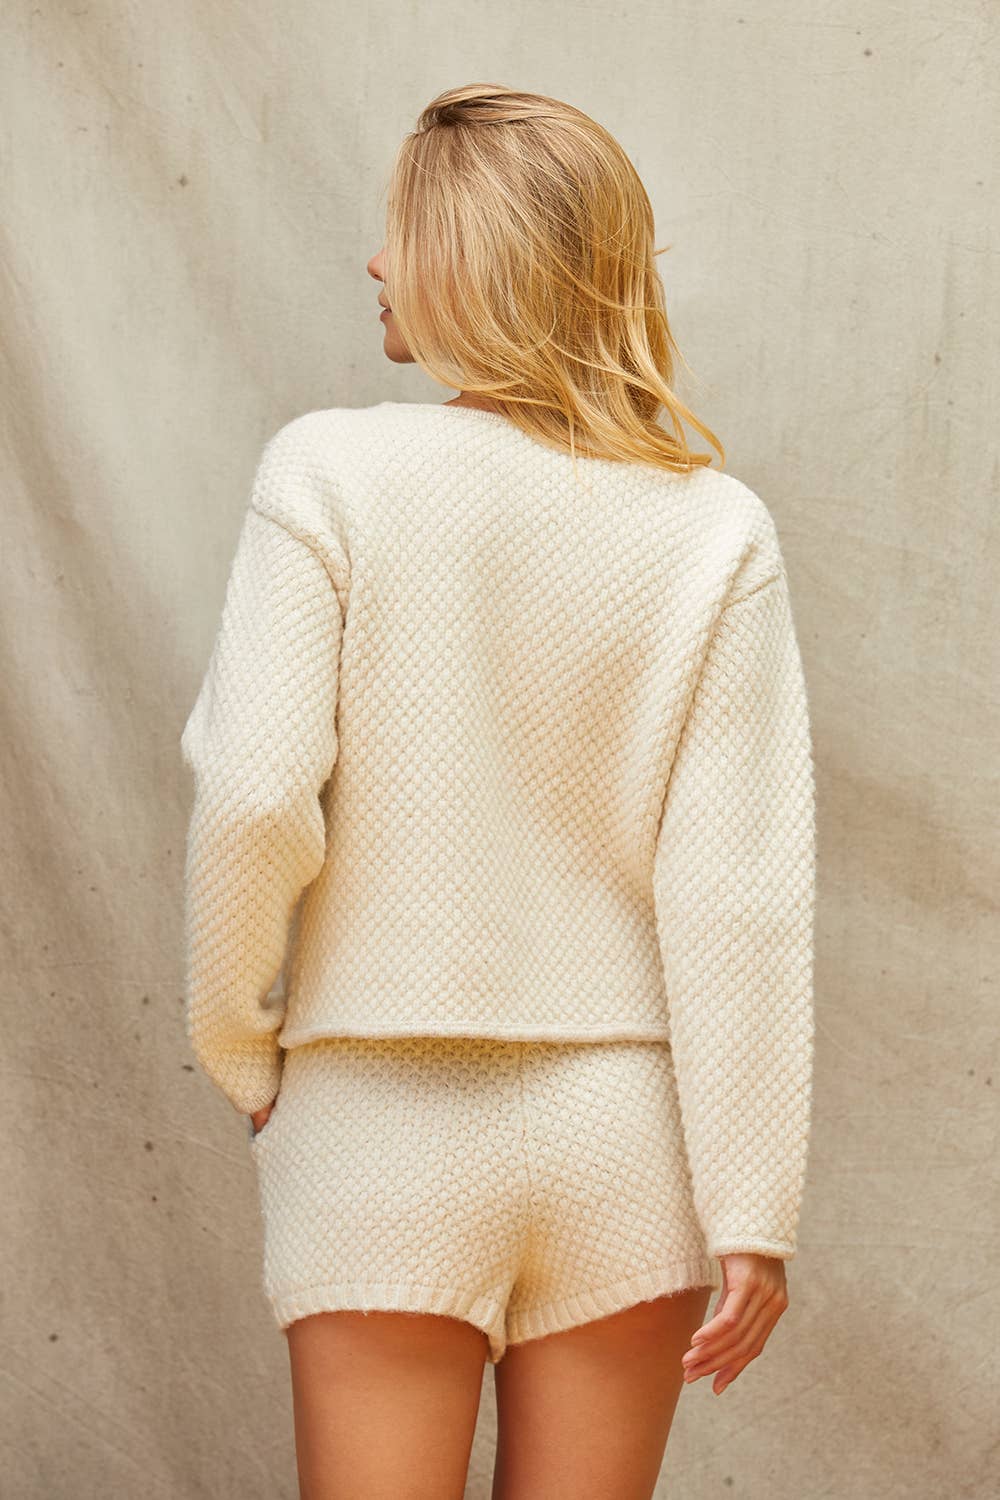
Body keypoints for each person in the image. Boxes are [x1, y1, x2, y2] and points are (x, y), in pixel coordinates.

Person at [180, 83, 816, 1500]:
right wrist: (753, 1209)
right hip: (628, 1134)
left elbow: (256, 798)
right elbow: (742, 896)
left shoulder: (328, 472)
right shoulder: (715, 529)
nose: (374, 262)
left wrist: (241, 1050)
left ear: (467, 259)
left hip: (374, 1115)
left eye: (399, 233)